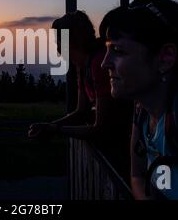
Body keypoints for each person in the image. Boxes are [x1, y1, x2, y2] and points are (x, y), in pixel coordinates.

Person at [101, 0, 178, 199]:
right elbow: (138, 177)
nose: (104, 63)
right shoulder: (143, 108)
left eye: (117, 50)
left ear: (165, 58)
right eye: (107, 49)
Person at [28, 10, 133, 178]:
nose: (57, 48)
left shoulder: (98, 64)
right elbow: (81, 111)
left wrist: (55, 129)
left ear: (72, 41)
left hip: (125, 152)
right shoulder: (83, 67)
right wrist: (50, 127)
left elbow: (102, 129)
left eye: (60, 41)